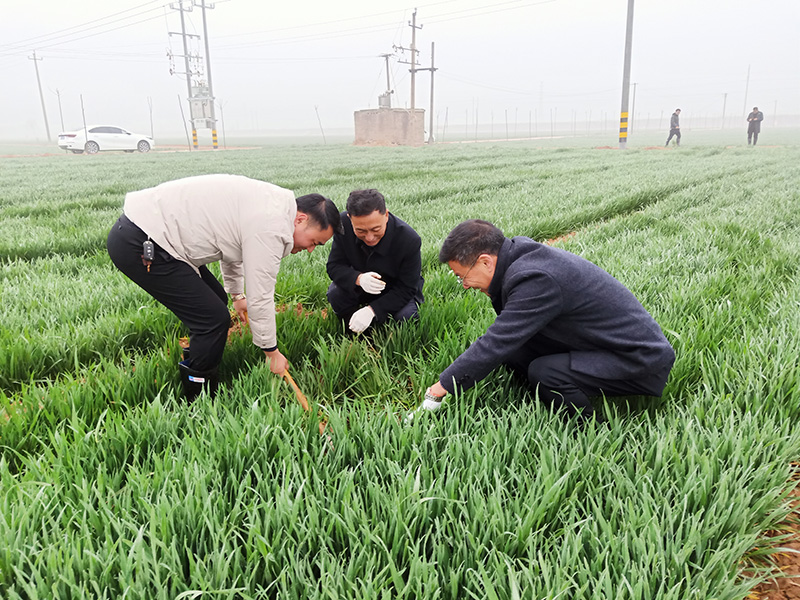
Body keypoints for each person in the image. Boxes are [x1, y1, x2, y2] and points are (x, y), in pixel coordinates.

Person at [409, 219, 675, 422]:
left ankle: (590, 429)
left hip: (638, 358)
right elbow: (505, 342)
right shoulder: (517, 258)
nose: (464, 285)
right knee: (514, 353)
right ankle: (542, 396)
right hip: (598, 343)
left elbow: (496, 341)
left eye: (462, 276)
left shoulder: (535, 278)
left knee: (545, 371)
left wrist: (440, 388)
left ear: (485, 262)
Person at [106, 174, 342, 401]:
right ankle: (199, 399)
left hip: (151, 235)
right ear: (300, 219)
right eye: (314, 242)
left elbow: (231, 245)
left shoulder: (273, 205)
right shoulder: (272, 225)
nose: (310, 249)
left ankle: (197, 362)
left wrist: (237, 295)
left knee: (216, 301)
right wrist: (271, 352)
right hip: (143, 243)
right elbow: (261, 295)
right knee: (212, 319)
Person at [326, 189, 424, 334]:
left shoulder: (409, 239)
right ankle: (357, 333)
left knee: (406, 317)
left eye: (376, 229)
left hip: (395, 289)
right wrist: (358, 278)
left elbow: (407, 288)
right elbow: (334, 266)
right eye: (361, 231)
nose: (370, 237)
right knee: (335, 294)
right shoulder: (343, 225)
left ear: (386, 215)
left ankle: (384, 330)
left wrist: (372, 310)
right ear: (349, 218)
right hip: (361, 286)